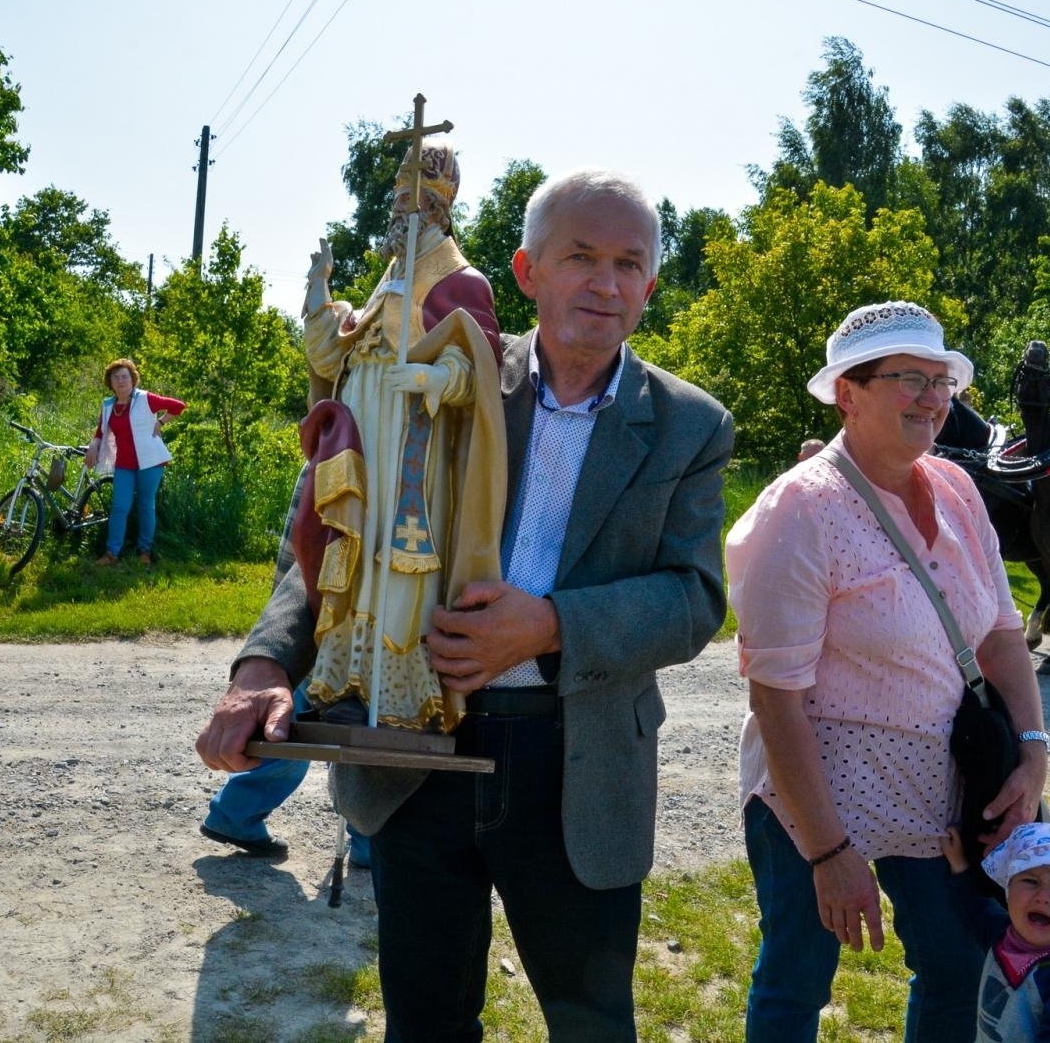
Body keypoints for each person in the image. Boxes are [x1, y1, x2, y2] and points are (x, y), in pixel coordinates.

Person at [196, 167, 734, 1041]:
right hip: (415, 753)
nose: (605, 283)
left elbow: (693, 597)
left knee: (592, 1026)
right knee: (426, 1023)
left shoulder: (690, 424)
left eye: (629, 264)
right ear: (527, 272)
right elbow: (338, 536)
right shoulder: (445, 361)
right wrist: (263, 665)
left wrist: (550, 624)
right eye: (580, 257)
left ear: (650, 285)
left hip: (576, 764)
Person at [727, 300, 1049, 1042]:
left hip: (939, 786)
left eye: (942, 382)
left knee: (957, 962)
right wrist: (829, 853)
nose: (933, 399)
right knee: (795, 981)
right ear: (849, 392)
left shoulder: (959, 489)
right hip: (813, 791)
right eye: (910, 379)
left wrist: (1033, 751)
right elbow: (776, 700)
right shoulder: (800, 510)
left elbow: (1002, 635)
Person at [299, 138, 506, 733]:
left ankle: (395, 696)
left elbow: (479, 366)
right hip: (366, 439)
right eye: (394, 199)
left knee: (395, 559)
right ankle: (347, 680)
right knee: (358, 552)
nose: (395, 210)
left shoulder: (460, 279)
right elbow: (333, 356)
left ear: (436, 208)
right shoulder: (390, 277)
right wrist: (319, 291)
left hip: (413, 443)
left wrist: (437, 376)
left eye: (407, 200)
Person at [200, 466, 370, 867]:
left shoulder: (328, 450)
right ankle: (369, 840)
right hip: (331, 625)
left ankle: (235, 812)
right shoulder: (349, 453)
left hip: (305, 631)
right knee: (348, 727)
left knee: (293, 726)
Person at [943, 822, 1050, 1042]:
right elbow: (976, 909)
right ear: (1008, 890)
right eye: (1030, 881)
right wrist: (959, 866)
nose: (1042, 897)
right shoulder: (1002, 934)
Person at [84, 358, 184, 566]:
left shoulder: (146, 398)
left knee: (146, 505)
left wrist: (160, 422)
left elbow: (178, 406)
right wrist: (93, 446)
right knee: (120, 507)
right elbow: (100, 431)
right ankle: (111, 553)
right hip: (124, 464)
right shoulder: (108, 405)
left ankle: (144, 550)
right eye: (116, 377)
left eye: (124, 377)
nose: (121, 381)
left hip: (151, 461)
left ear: (132, 379)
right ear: (110, 382)